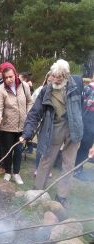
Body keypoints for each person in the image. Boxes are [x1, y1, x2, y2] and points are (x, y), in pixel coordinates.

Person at [20, 59, 83, 208]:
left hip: (74, 128)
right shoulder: (45, 91)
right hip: (54, 126)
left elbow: (81, 108)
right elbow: (34, 114)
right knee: (46, 158)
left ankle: (61, 196)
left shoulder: (75, 86)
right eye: (54, 75)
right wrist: (27, 133)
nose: (56, 79)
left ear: (66, 75)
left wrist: (82, 127)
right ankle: (38, 191)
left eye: (60, 76)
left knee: (69, 164)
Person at [0, 63, 32, 184]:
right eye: (6, 77)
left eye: (11, 76)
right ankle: (7, 172)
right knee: (7, 151)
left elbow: (30, 102)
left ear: (15, 74)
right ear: (3, 78)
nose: (9, 79)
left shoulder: (24, 86)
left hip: (22, 126)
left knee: (19, 150)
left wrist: (29, 115)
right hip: (7, 127)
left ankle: (16, 173)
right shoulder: (1, 89)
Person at [32, 71, 54, 177]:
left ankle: (47, 169)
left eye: (52, 80)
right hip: (41, 123)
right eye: (49, 80)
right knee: (41, 145)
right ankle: (37, 168)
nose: (50, 82)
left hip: (52, 124)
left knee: (50, 147)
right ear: (46, 79)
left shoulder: (56, 92)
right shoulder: (40, 90)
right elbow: (33, 105)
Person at [74, 79, 94, 180]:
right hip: (85, 120)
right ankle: (76, 167)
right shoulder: (87, 89)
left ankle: (79, 167)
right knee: (82, 144)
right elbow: (79, 102)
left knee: (88, 146)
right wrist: (87, 102)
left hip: (92, 122)